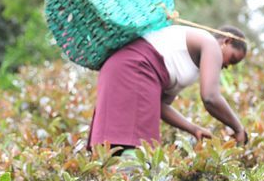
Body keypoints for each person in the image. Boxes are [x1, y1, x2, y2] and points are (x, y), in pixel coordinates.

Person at [88, 24, 247, 153]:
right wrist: (238, 128)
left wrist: (193, 129)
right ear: (226, 41)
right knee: (136, 147)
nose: (226, 66)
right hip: (135, 68)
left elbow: (161, 106)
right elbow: (210, 97)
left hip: (119, 68)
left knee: (117, 146)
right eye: (232, 59)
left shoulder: (192, 68)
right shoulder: (210, 43)